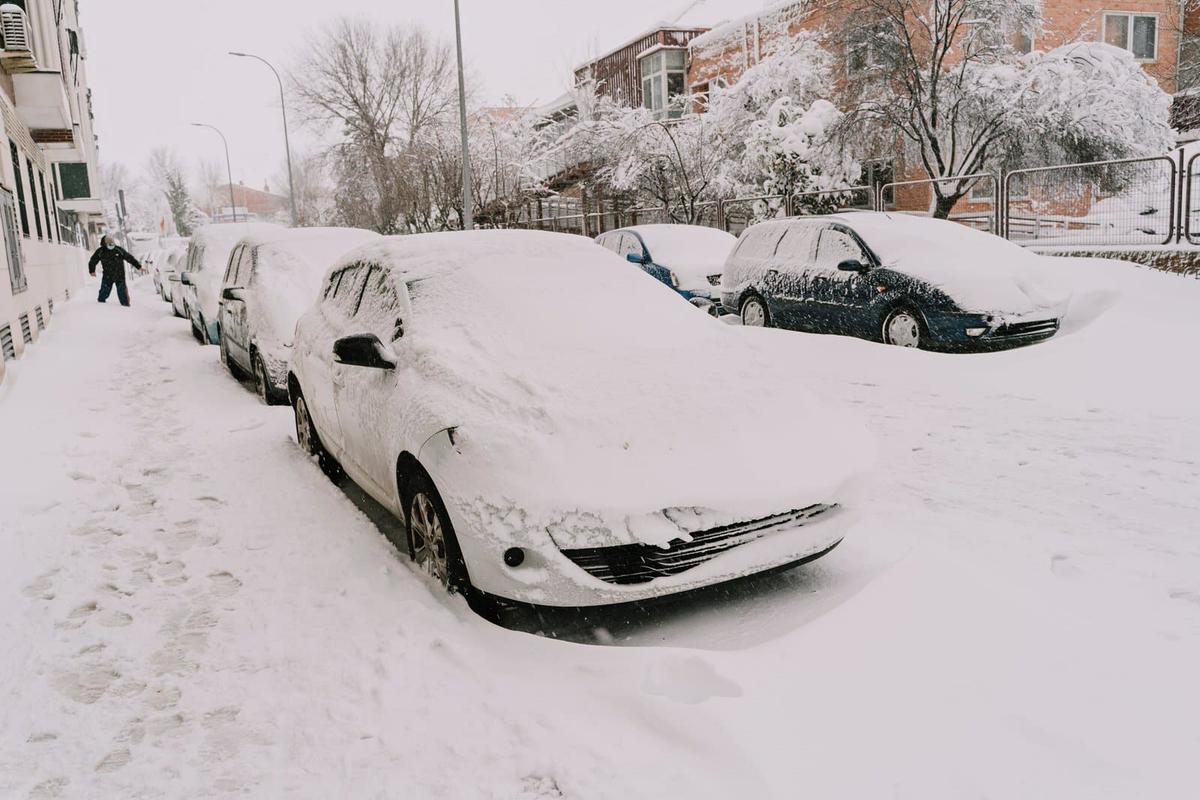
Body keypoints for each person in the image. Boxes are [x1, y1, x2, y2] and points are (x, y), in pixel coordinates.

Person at [88, 235, 143, 307]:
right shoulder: (100, 251)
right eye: (109, 244)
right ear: (104, 244)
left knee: (122, 294)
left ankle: (126, 307)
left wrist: (138, 266)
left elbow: (129, 257)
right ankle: (100, 307)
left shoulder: (118, 250)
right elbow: (93, 261)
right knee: (103, 293)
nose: (111, 245)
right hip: (107, 276)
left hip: (119, 275)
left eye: (112, 244)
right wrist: (92, 270)